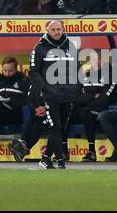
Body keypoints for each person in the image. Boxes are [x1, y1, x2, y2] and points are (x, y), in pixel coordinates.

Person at [28, 20, 79, 169]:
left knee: (61, 128)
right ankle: (60, 161)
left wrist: (76, 87)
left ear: (63, 30)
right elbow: (33, 71)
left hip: (68, 95)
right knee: (55, 127)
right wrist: (44, 88)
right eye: (54, 29)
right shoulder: (39, 47)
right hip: (51, 96)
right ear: (47, 30)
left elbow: (78, 68)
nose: (57, 32)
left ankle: (45, 158)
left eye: (59, 29)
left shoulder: (71, 46)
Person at [75, 50, 117, 162]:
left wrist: (87, 98)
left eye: (99, 59)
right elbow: (77, 97)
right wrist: (93, 96)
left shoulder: (111, 75)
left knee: (86, 113)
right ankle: (62, 151)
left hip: (102, 110)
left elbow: (104, 99)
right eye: (94, 59)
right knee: (66, 112)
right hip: (85, 108)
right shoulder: (85, 75)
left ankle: (91, 151)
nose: (96, 62)